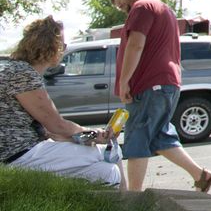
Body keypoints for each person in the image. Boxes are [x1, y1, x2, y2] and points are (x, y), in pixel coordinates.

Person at [110, 0, 211, 193]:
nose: (124, 10)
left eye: (122, 4)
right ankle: (200, 175)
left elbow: (136, 44)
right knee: (160, 136)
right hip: (166, 83)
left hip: (149, 84)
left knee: (137, 135)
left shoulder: (141, 7)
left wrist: (124, 81)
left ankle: (134, 197)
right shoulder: (164, 9)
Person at [0, 15, 122, 187]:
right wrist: (94, 134)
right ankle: (131, 206)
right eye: (63, 45)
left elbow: (51, 132)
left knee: (108, 172)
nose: (64, 49)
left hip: (22, 152)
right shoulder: (23, 74)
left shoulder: (20, 70)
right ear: (51, 46)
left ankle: (121, 209)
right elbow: (56, 125)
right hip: (18, 154)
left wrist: (88, 137)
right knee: (109, 153)